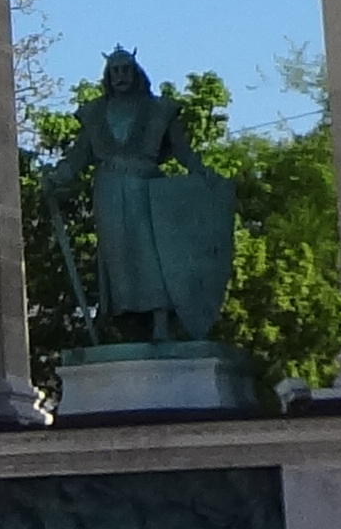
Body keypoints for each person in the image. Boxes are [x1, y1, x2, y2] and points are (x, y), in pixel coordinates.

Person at [64, 48, 236, 348]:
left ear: (136, 72)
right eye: (114, 70)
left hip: (145, 190)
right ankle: (125, 324)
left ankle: (161, 322)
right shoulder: (94, 114)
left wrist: (203, 173)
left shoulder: (158, 109)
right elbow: (78, 155)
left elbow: (182, 151)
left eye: (125, 69)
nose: (120, 76)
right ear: (107, 75)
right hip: (108, 192)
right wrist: (57, 177)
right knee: (118, 261)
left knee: (153, 258)